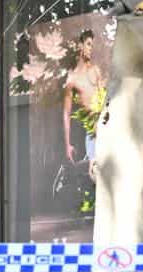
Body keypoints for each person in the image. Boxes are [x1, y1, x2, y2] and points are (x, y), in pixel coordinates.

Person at [62, 29, 105, 168]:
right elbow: (66, 114)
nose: (90, 49)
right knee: (95, 174)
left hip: (105, 128)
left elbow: (105, 101)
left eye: (92, 45)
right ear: (80, 45)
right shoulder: (72, 80)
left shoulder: (95, 70)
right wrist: (67, 144)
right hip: (91, 133)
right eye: (88, 44)